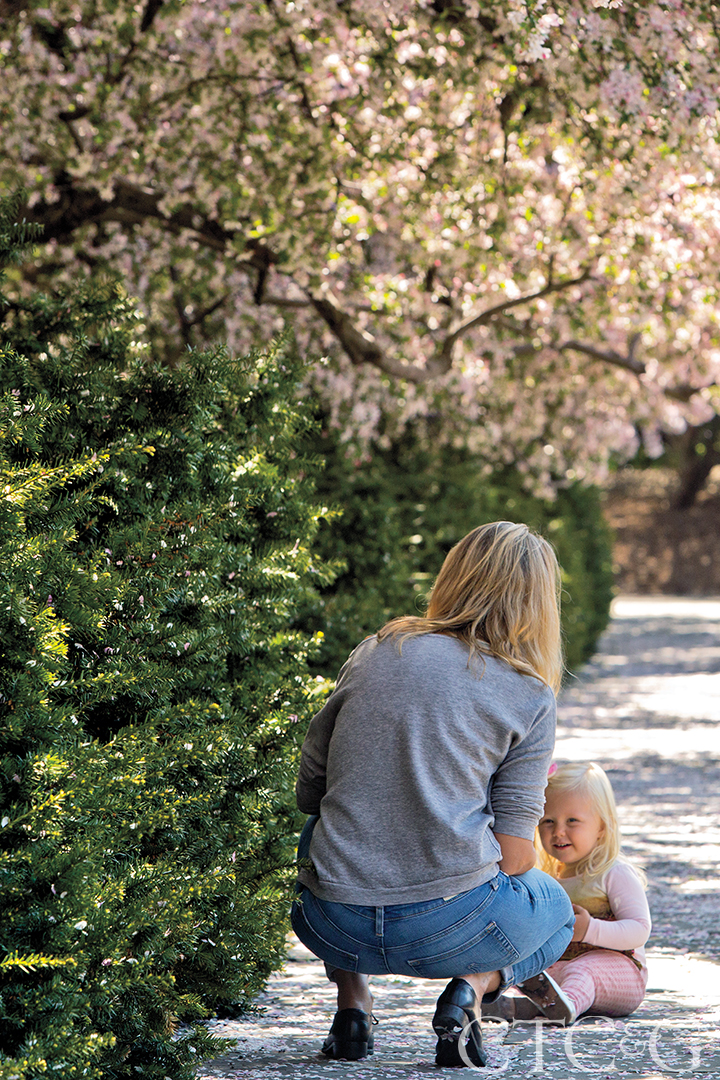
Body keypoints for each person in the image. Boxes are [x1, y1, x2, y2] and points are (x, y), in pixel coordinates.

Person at [291, 521, 576, 1068]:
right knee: (557, 911)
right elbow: (516, 857)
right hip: (445, 928)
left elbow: (312, 789)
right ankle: (469, 990)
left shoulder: (378, 650)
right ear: (541, 604)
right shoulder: (528, 692)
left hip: (331, 924)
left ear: (453, 577)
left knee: (328, 827)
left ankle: (352, 1005)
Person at [483, 761, 651, 1025]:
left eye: (572, 821)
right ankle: (524, 1005)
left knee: (582, 970)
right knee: (531, 969)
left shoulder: (613, 873)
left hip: (620, 974)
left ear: (602, 828)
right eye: (548, 820)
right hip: (563, 967)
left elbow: (640, 929)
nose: (558, 831)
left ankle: (566, 1006)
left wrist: (590, 930)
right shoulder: (547, 879)